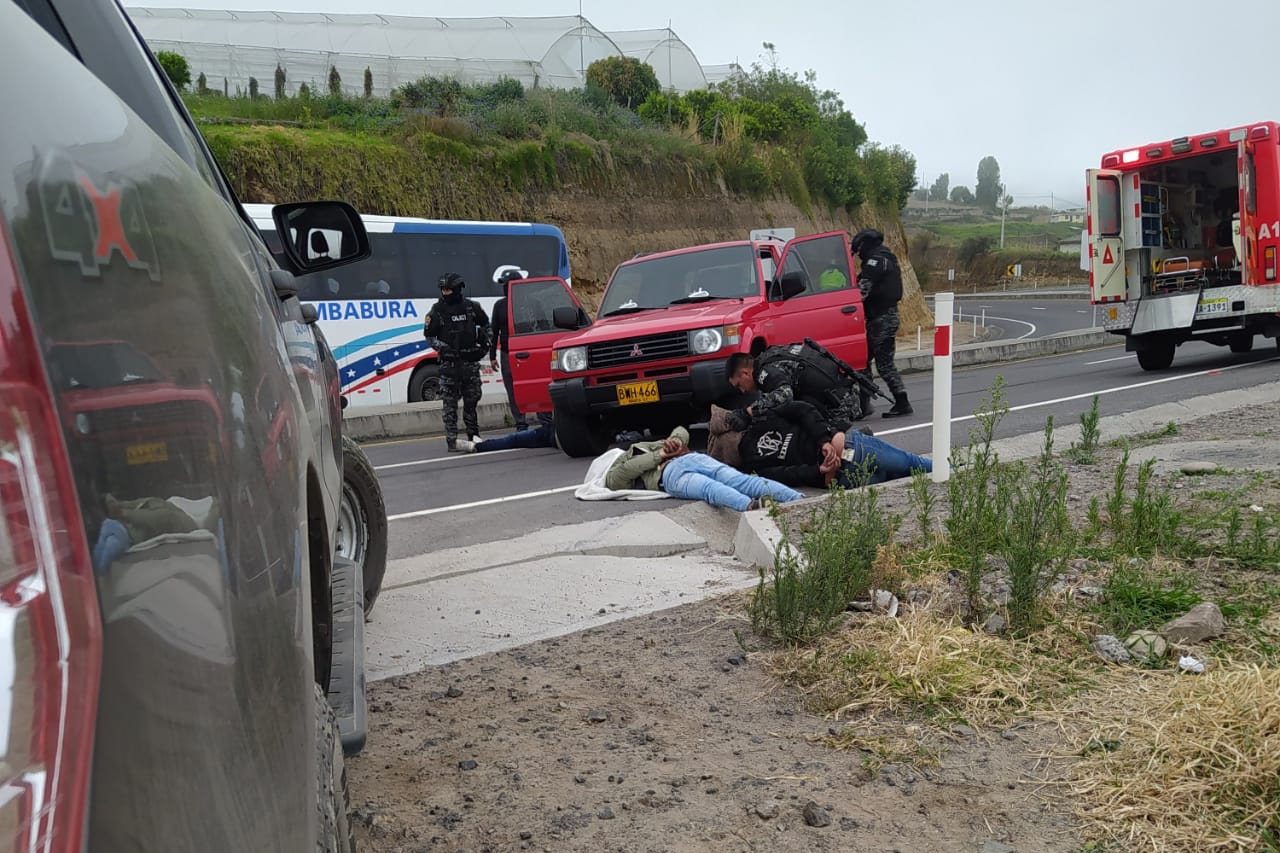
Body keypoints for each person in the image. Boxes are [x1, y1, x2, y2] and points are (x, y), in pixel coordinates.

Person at [707, 403, 931, 488]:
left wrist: (824, 442)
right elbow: (787, 475)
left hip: (846, 448)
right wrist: (819, 469)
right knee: (904, 475)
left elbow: (804, 410)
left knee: (909, 465)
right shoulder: (752, 467)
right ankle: (950, 472)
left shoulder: (763, 420)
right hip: (838, 476)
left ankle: (954, 472)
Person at [602, 426, 804, 511]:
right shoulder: (618, 469)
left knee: (732, 483)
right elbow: (623, 474)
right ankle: (761, 504)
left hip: (683, 464)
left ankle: (790, 500)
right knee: (721, 485)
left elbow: (681, 430)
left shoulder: (650, 445)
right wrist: (661, 455)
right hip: (673, 470)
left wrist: (674, 442)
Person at [725, 340, 865, 431]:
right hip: (844, 392)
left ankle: (857, 443)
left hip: (839, 405)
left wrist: (748, 412)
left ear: (745, 373)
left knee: (815, 446)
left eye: (739, 385)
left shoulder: (764, 371)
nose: (742, 390)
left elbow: (784, 395)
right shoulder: (772, 355)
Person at [424, 272, 491, 452]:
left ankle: (473, 434)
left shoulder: (471, 308)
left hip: (469, 361)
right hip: (449, 364)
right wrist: (444, 348)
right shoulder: (437, 311)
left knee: (472, 399)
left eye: (448, 290)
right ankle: (452, 440)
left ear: (457, 289)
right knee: (449, 404)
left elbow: (486, 325)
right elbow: (429, 336)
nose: (445, 293)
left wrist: (484, 346)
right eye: (443, 290)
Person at [850, 228, 912, 418]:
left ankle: (901, 402)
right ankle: (865, 403)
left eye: (859, 249)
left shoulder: (875, 262)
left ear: (865, 245)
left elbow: (861, 292)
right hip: (884, 317)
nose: (858, 254)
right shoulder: (886, 258)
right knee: (865, 360)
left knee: (883, 364)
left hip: (881, 319)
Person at [489, 266, 532, 430]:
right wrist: (492, 356)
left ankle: (545, 418)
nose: (505, 289)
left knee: (530, 385)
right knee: (512, 388)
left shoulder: (529, 304)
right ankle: (520, 422)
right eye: (504, 286)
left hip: (527, 352)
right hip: (507, 352)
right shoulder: (499, 306)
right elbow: (494, 332)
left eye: (508, 285)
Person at [456, 412, 555, 453]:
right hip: (557, 432)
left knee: (514, 439)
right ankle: (479, 445)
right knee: (515, 439)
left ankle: (477, 446)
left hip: (555, 433)